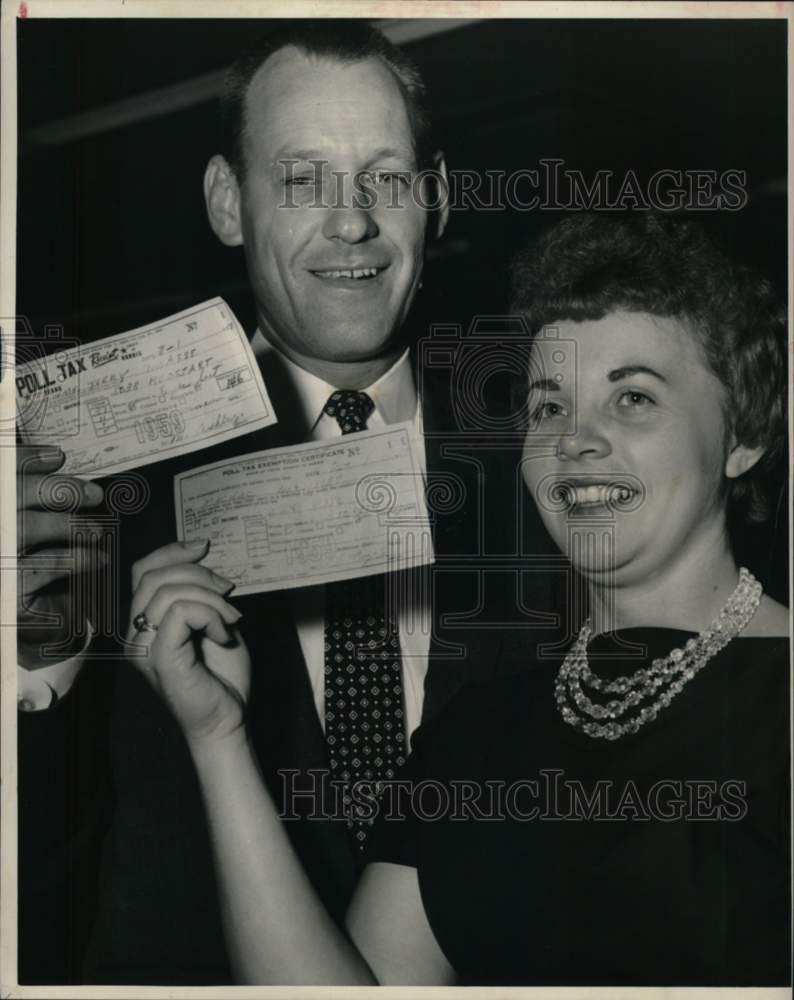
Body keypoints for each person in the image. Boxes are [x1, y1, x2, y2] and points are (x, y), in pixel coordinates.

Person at [129, 212, 790, 986]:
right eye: (549, 406)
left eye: (633, 398)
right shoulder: (478, 731)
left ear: (744, 433)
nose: (575, 440)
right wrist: (219, 739)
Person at [17, 21, 534, 984]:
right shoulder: (91, 499)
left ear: (440, 198)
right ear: (227, 201)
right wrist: (26, 664)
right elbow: (42, 901)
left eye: (386, 178)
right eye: (302, 181)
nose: (352, 224)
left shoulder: (545, 471)